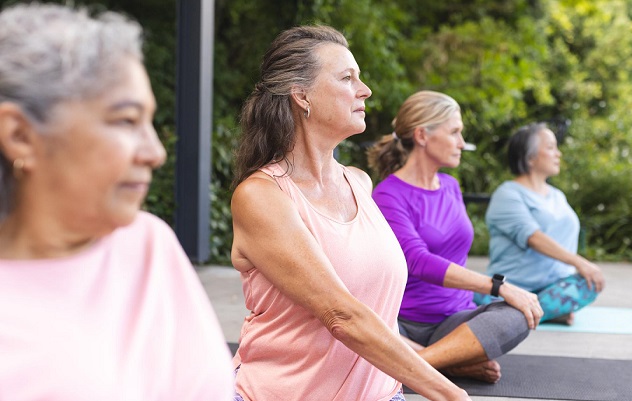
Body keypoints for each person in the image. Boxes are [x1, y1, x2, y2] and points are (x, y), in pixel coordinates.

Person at [0, 4, 233, 400]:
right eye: (126, 121)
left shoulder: (148, 245)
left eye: (150, 122)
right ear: (20, 135)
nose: (155, 152)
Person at [229, 26, 470, 401]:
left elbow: (380, 312)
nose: (365, 90)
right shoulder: (262, 197)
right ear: (301, 95)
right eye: (347, 78)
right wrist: (452, 394)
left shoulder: (359, 182)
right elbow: (342, 316)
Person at [367, 90, 542, 384]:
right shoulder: (387, 194)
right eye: (455, 132)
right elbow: (418, 261)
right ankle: (448, 361)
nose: (462, 143)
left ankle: (419, 363)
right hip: (401, 324)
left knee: (520, 312)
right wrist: (497, 286)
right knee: (355, 332)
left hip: (455, 322)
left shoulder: (450, 186)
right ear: (422, 135)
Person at [479, 122, 605, 325]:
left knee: (588, 284)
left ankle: (525, 313)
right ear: (530, 158)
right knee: (472, 293)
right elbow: (533, 238)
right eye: (550, 147)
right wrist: (580, 262)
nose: (558, 154)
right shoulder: (507, 194)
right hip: (511, 287)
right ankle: (537, 311)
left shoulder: (557, 196)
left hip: (556, 286)